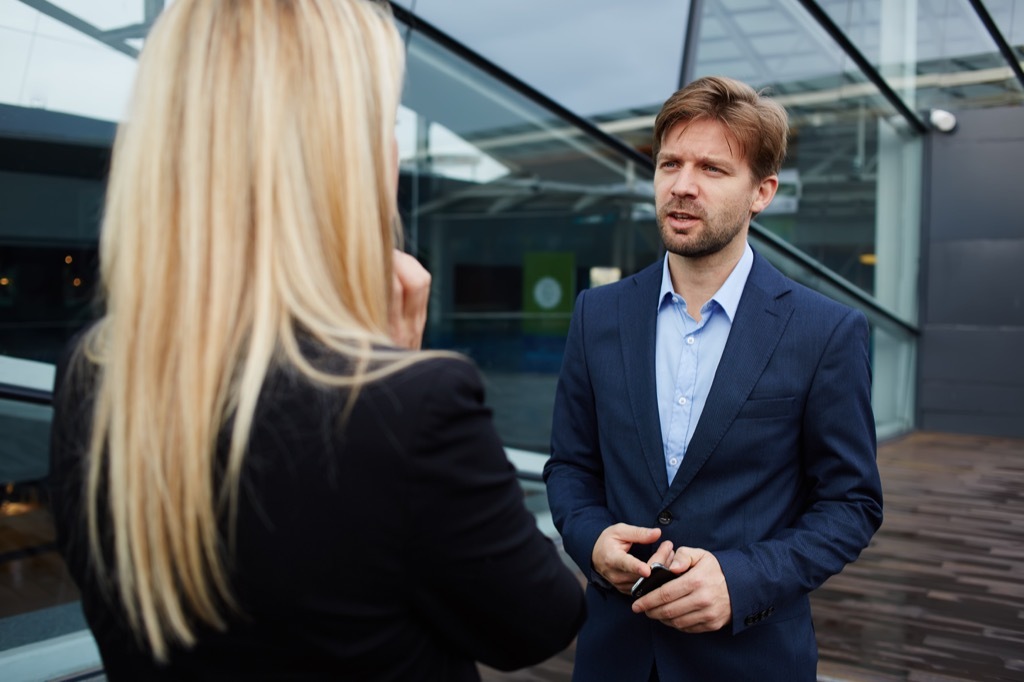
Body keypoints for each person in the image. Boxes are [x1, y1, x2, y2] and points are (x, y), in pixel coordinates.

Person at [48, 1, 584, 679]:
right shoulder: (408, 407)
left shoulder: (91, 372)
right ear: (341, 157)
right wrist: (386, 366)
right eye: (384, 124)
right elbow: (538, 621)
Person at [542, 75, 883, 681]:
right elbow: (571, 466)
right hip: (615, 655)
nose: (682, 185)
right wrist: (591, 541)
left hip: (749, 659)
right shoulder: (598, 313)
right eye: (670, 163)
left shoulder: (825, 331)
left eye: (712, 168)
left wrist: (742, 580)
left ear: (762, 192)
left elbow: (851, 504)